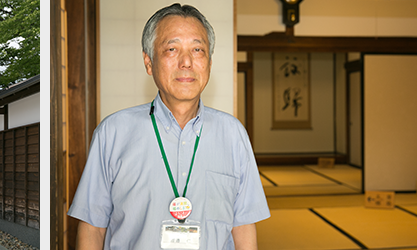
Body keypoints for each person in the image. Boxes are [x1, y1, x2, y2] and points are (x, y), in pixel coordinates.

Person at [67, 3, 270, 250]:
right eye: (172, 49)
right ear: (149, 62)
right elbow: (92, 227)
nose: (186, 61)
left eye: (198, 49)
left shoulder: (233, 134)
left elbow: (243, 225)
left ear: (209, 61)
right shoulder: (113, 133)